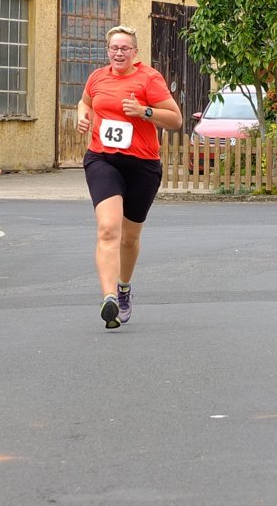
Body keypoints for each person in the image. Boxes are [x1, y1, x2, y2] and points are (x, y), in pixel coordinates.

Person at [76, 25, 182, 329]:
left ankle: (123, 287)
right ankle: (108, 297)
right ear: (107, 50)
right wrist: (82, 115)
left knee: (130, 237)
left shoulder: (149, 78)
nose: (118, 53)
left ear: (134, 52)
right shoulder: (98, 77)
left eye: (125, 48)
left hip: (142, 165)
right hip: (102, 159)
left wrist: (143, 111)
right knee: (108, 228)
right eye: (114, 48)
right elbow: (85, 101)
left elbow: (175, 119)